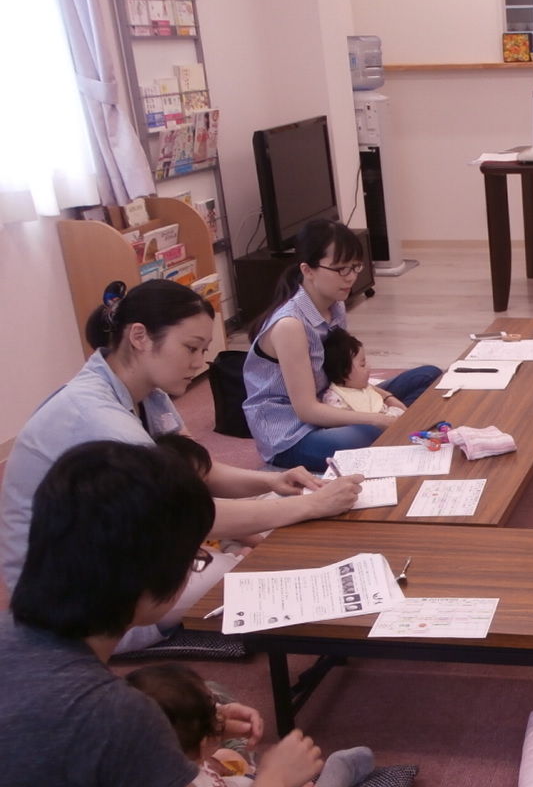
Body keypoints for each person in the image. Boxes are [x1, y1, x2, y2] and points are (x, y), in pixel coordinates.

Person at [0, 441, 433, 787]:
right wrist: (272, 781)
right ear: (151, 581)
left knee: (204, 699)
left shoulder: (19, 641)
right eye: (194, 558)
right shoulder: (115, 716)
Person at [0, 279, 363, 652]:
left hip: (117, 545)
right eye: (190, 348)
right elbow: (184, 513)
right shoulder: (97, 417)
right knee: (250, 574)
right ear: (139, 337)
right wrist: (309, 505)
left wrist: (271, 482)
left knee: (266, 526)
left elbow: (197, 472)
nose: (199, 362)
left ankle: (227, 553)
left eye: (203, 350)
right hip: (79, 599)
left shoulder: (144, 391)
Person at [243, 219, 440, 471]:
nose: (351, 277)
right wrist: (377, 419)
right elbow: (307, 411)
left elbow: (342, 374)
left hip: (337, 399)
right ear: (308, 270)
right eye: (340, 269)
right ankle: (401, 432)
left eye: (355, 267)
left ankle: (399, 431)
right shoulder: (290, 326)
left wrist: (388, 399)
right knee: (369, 433)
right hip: (294, 434)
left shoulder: (335, 306)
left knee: (428, 376)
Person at [126, 663, 376, 787]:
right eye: (215, 716)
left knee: (229, 758)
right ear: (202, 743)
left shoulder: (159, 759)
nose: (221, 714)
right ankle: (337, 777)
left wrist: (218, 756)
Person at [321, 326, 406, 419]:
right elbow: (340, 421)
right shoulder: (335, 398)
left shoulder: (363, 387)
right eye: (362, 365)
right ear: (345, 372)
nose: (369, 367)